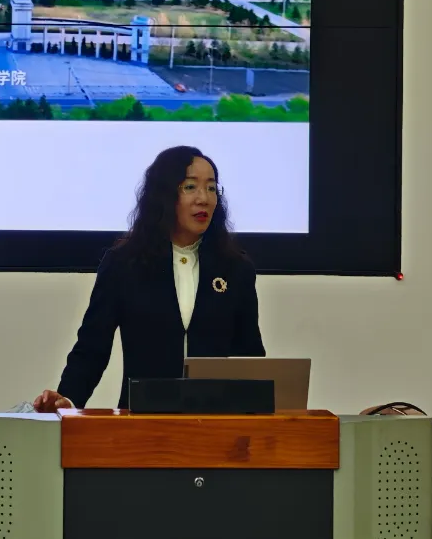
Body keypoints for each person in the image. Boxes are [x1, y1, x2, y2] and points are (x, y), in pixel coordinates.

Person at [33, 146, 266, 412]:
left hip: (217, 421)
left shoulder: (236, 268)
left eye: (211, 188)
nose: (204, 198)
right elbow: (92, 347)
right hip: (141, 419)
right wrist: (68, 400)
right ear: (164, 195)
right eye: (190, 187)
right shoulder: (124, 263)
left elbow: (249, 357)